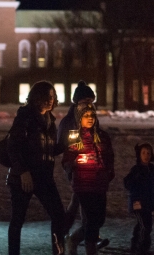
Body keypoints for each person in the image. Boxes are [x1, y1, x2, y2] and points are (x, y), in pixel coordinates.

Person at [7, 81, 67, 255]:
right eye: (47, 96)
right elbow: (13, 147)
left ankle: (58, 251)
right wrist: (23, 172)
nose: (50, 100)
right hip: (24, 177)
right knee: (17, 220)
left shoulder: (50, 120)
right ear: (37, 97)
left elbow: (47, 149)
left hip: (44, 177)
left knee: (58, 215)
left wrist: (66, 145)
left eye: (52, 96)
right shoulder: (25, 117)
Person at [57, 81, 109, 250]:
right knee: (81, 205)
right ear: (77, 101)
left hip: (91, 172)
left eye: (91, 100)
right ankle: (76, 237)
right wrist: (72, 162)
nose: (88, 104)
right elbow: (62, 145)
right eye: (85, 100)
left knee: (80, 205)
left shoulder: (91, 116)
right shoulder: (68, 121)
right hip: (77, 170)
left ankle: (80, 235)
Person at [123, 143, 154, 255]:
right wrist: (134, 178)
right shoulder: (136, 170)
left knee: (146, 227)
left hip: (148, 204)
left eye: (148, 153)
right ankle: (138, 249)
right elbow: (127, 184)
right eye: (143, 153)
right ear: (139, 155)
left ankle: (142, 247)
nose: (146, 155)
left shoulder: (152, 170)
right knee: (144, 226)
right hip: (138, 203)